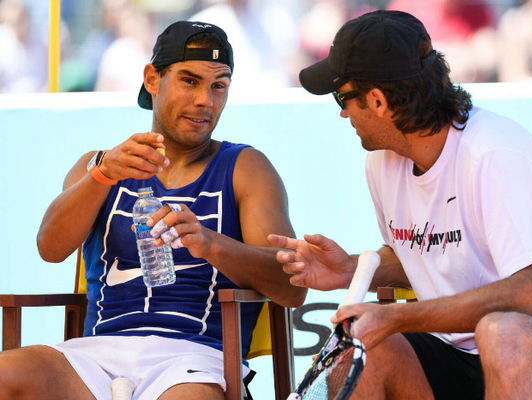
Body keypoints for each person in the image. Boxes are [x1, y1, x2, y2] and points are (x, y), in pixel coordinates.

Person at [268, 10, 532, 400]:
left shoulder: (494, 151)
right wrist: (351, 269)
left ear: (376, 100)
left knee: (500, 333)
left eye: (343, 97)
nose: (342, 112)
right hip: (458, 351)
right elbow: (432, 252)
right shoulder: (381, 163)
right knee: (364, 350)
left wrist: (396, 317)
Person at [0, 20, 306, 400]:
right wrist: (102, 175)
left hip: (195, 358)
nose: (205, 101)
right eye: (189, 81)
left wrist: (212, 244)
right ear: (152, 79)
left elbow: (291, 288)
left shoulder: (245, 167)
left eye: (219, 86)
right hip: (96, 355)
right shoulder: (99, 165)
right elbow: (50, 248)